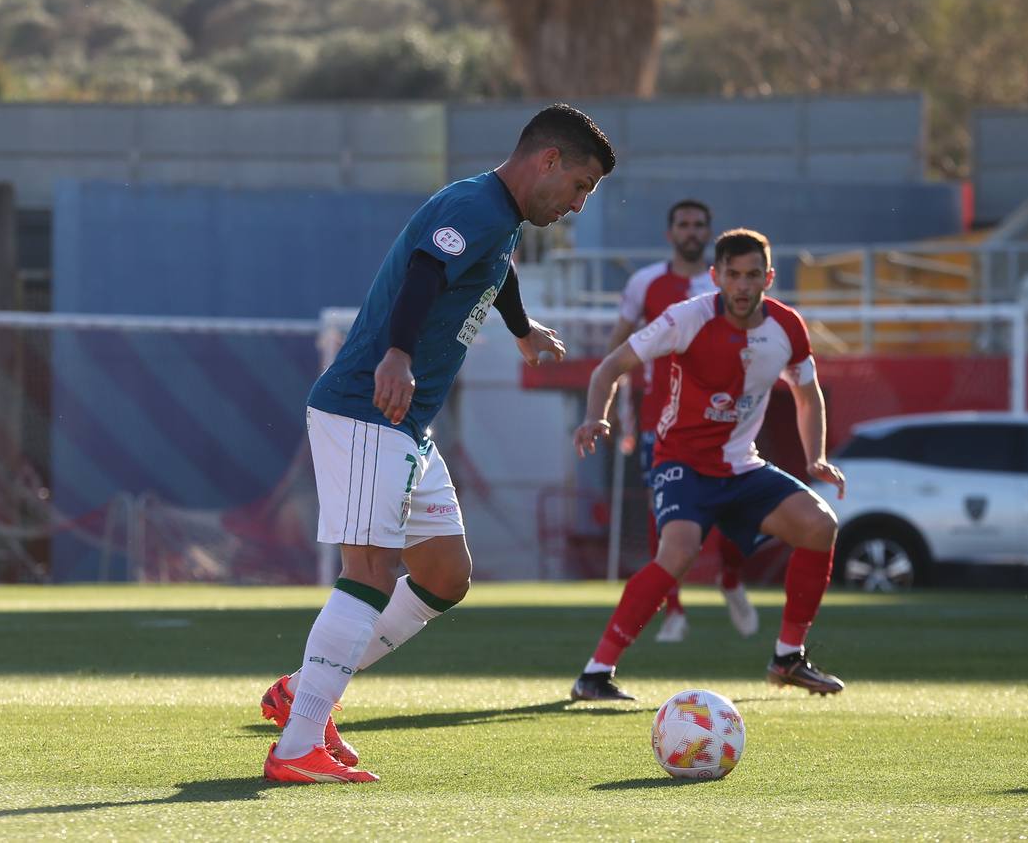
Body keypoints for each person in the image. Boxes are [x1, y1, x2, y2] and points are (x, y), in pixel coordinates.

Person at [261, 103, 615, 783]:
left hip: (406, 426)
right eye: (579, 186)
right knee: (368, 570)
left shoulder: (496, 216)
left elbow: (494, 267)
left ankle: (301, 690)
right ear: (549, 161)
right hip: (370, 407)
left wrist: (520, 327)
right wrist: (396, 353)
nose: (576, 204)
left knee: (446, 574)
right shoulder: (478, 205)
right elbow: (426, 269)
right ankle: (295, 745)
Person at [569, 228, 848, 702]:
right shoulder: (686, 318)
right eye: (733, 275)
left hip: (742, 466)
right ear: (716, 276)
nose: (742, 285)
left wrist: (815, 456)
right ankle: (595, 674)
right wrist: (596, 416)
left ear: (769, 277)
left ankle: (787, 658)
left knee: (820, 526)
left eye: (753, 275)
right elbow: (608, 367)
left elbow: (807, 394)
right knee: (677, 554)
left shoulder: (788, 328)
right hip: (682, 463)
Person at [607, 200, 758, 643]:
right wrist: (613, 413)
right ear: (669, 233)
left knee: (738, 512)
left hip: (728, 421)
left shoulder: (731, 282)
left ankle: (730, 578)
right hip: (662, 420)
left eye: (699, 225)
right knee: (664, 514)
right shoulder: (645, 283)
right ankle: (673, 611)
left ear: (710, 233)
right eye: (683, 224)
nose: (691, 232)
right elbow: (617, 351)